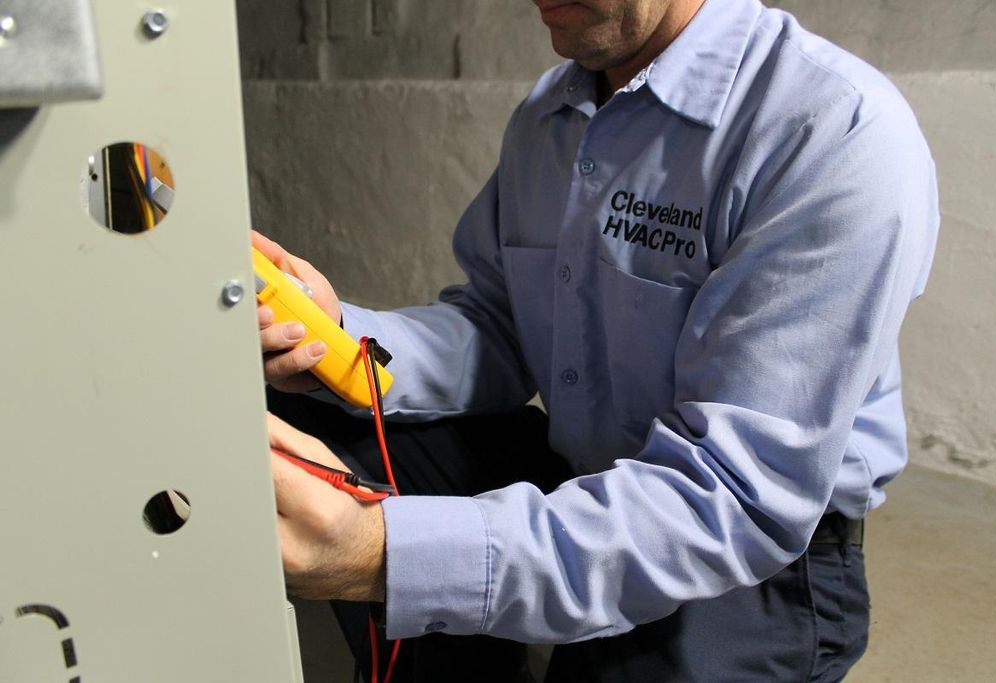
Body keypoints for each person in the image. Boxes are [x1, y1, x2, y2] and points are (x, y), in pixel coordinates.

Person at [258, 0, 940, 680]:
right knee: (313, 431)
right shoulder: (550, 115)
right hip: (586, 477)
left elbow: (732, 493)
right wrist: (336, 343)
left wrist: (385, 555)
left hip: (746, 557)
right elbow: (499, 326)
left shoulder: (831, 130)